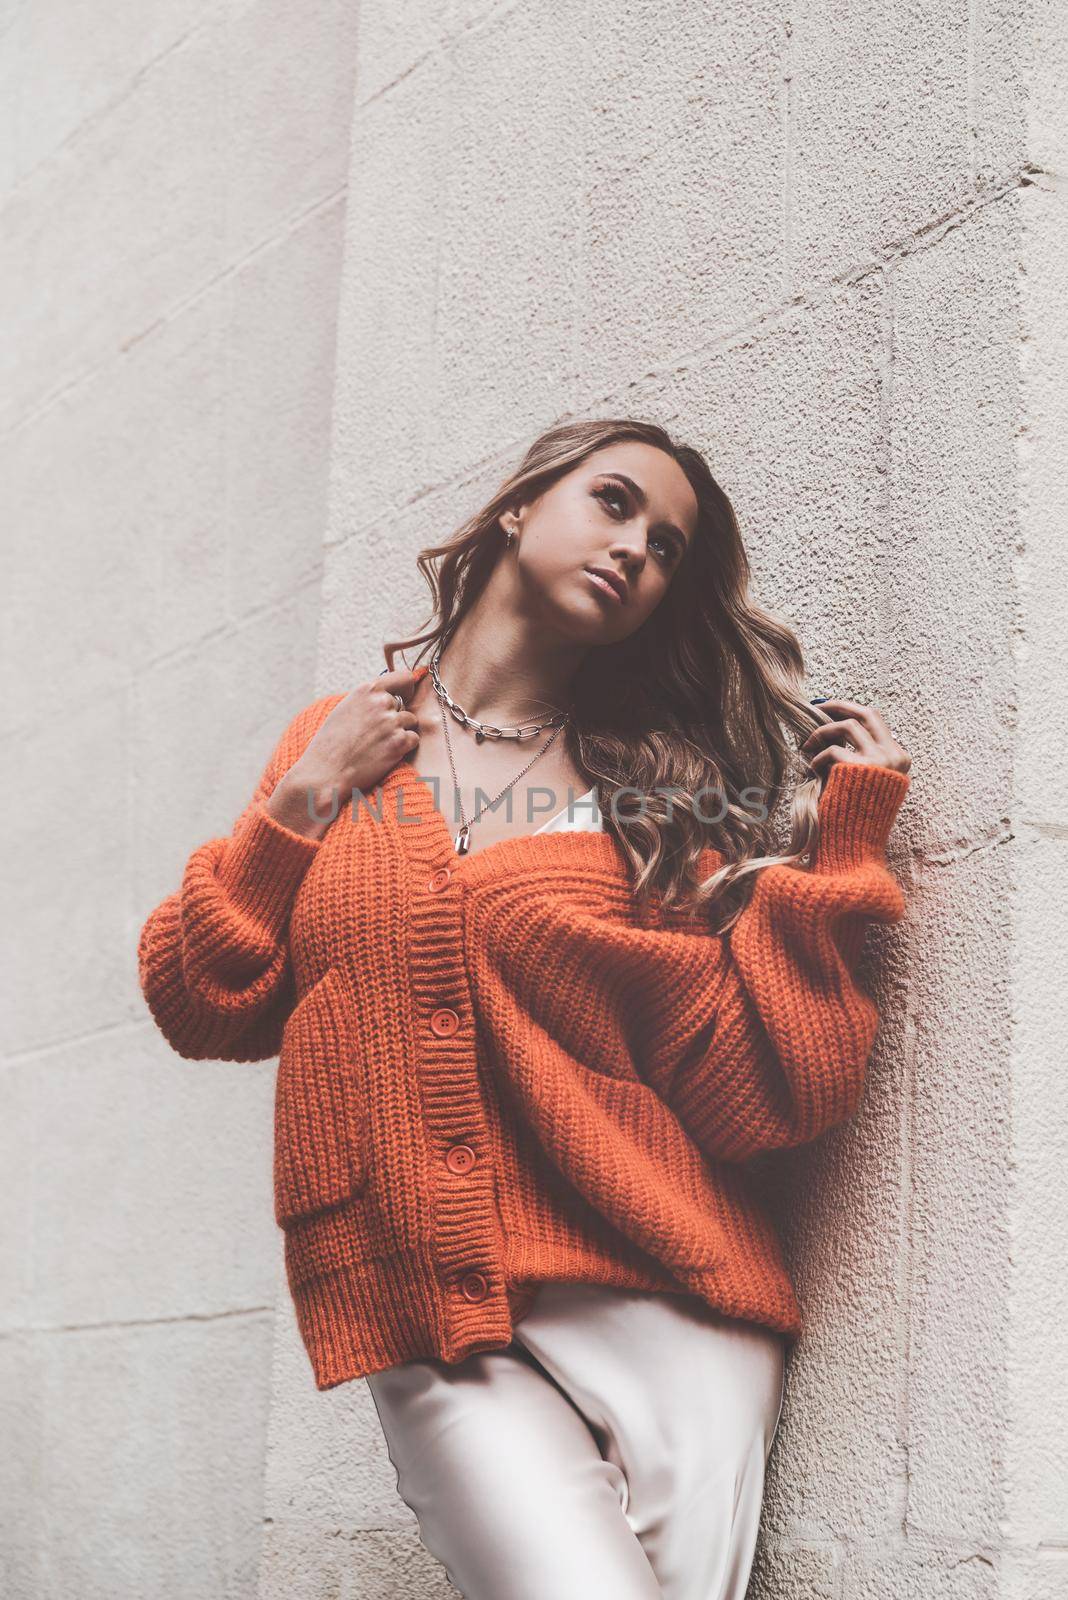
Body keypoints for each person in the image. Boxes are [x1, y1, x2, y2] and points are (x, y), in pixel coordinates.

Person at [137, 418, 913, 1599]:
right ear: (518, 506)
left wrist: (836, 860)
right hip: (434, 1315)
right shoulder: (338, 748)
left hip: (674, 1312)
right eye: (613, 502)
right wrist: (299, 800)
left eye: (665, 548)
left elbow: (765, 1097)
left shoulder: (656, 799)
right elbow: (203, 1003)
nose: (636, 550)